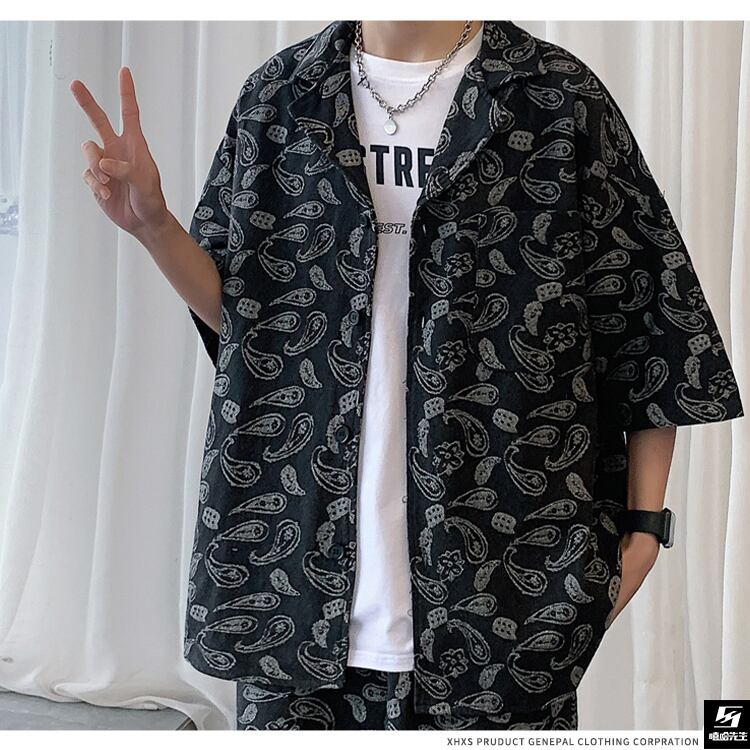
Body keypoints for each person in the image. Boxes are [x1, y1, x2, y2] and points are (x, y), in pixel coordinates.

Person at [70, 19, 744, 731]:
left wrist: (645, 527)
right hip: (297, 588)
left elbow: (646, 321)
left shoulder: (556, 98)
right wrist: (153, 226)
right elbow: (249, 321)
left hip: (503, 588)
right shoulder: (282, 94)